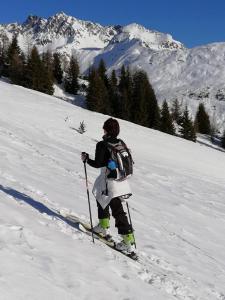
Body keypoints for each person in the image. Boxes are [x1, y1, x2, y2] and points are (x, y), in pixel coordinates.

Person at [81, 118, 135, 253]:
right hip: (121, 181)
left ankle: (127, 242)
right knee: (104, 199)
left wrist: (86, 159)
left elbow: (98, 163)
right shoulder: (120, 142)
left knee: (116, 209)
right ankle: (105, 226)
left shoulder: (103, 144)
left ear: (106, 129)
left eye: (104, 127)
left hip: (109, 181)